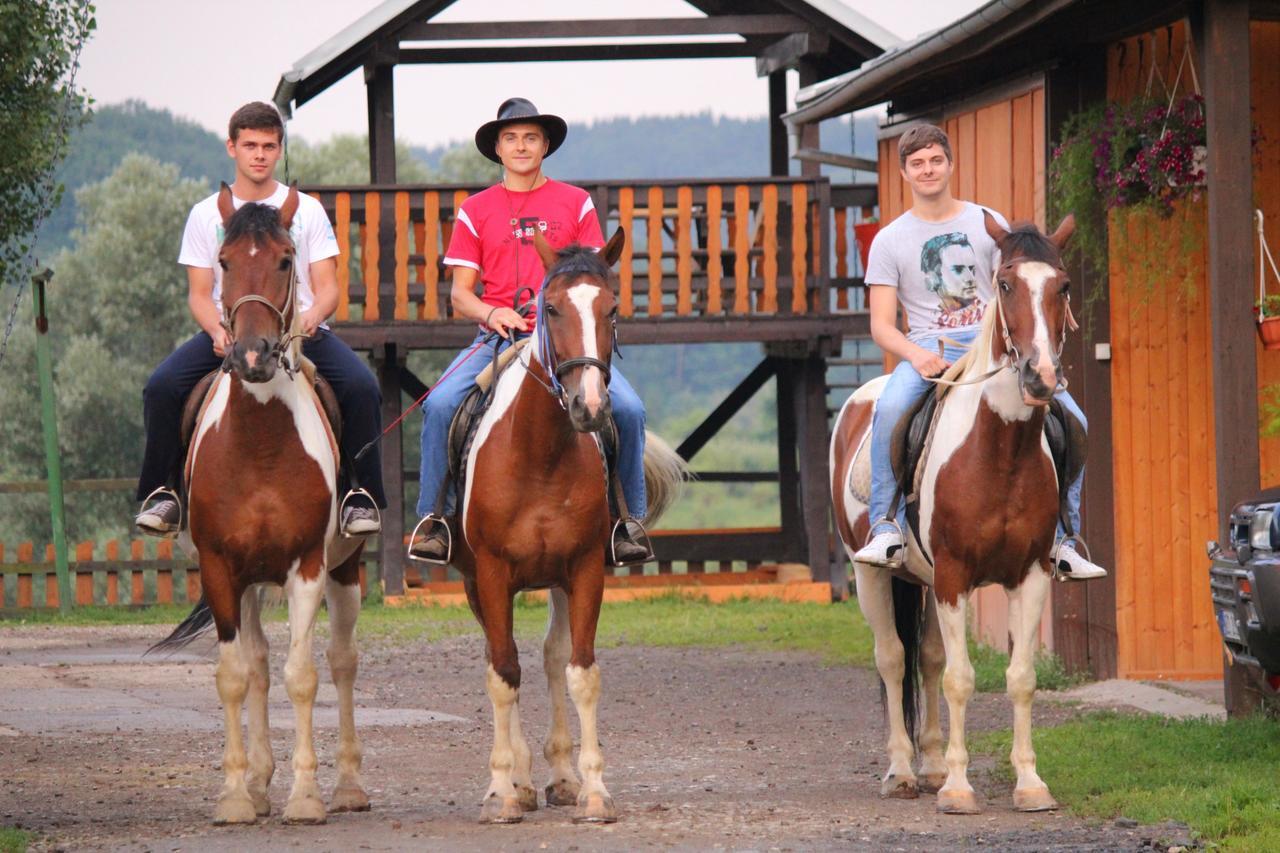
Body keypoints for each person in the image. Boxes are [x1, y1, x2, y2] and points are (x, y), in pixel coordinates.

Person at [854, 123, 1107, 580]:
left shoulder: (986, 222)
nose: (927, 170)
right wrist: (916, 355)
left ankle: (1066, 538)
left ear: (950, 164)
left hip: (994, 343)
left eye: (935, 160)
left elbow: (1015, 291)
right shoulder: (890, 240)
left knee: (1076, 420)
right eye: (917, 163)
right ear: (904, 174)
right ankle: (886, 526)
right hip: (932, 346)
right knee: (890, 409)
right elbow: (880, 325)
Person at [409, 97, 651, 565]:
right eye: (512, 138)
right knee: (438, 404)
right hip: (497, 338)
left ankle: (627, 522)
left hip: (565, 340)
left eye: (531, 138)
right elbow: (460, 294)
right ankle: (434, 520)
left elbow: (594, 275)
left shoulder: (575, 203)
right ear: (498, 149)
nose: (521, 146)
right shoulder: (474, 210)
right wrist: (492, 313)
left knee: (631, 410)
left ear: (545, 147)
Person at [134, 101, 385, 538]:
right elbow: (198, 293)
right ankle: (164, 490)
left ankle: (358, 494)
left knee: (363, 388)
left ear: (279, 149)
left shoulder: (306, 211)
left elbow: (328, 287)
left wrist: (308, 319)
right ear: (231, 147)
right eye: (249, 145)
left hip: (297, 333)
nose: (259, 154)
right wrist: (216, 330)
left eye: (269, 145)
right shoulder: (205, 215)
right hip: (228, 334)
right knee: (161, 387)